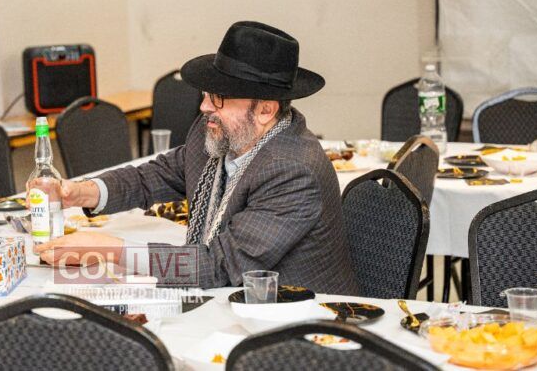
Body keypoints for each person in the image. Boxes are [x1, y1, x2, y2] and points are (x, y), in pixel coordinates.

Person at [36, 21, 358, 293]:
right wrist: (81, 192)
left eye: (218, 98)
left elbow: (219, 266)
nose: (204, 107)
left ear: (265, 110)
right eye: (205, 94)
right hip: (231, 300)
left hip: (296, 317)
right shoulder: (221, 132)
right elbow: (158, 174)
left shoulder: (293, 171)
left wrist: (112, 250)